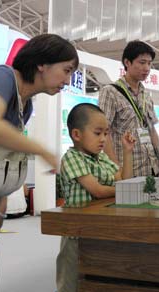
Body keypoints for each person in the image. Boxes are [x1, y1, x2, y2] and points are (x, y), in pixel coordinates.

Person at [0, 33, 78, 292]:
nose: (67, 80)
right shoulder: (2, 76)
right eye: (66, 70)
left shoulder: (25, 105)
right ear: (42, 63)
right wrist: (43, 150)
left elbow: (3, 158)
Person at [56, 103, 135, 292]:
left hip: (100, 229)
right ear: (77, 134)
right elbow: (97, 191)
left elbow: (125, 180)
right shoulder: (72, 158)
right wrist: (123, 190)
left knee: (95, 278)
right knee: (71, 279)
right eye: (97, 133)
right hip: (77, 232)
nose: (103, 139)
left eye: (106, 133)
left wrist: (127, 152)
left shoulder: (102, 158)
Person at [99, 40, 159, 178]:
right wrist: (116, 169)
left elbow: (152, 131)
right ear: (127, 62)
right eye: (142, 62)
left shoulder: (145, 95)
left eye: (149, 63)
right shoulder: (110, 92)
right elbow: (104, 133)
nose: (147, 68)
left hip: (152, 169)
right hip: (129, 172)